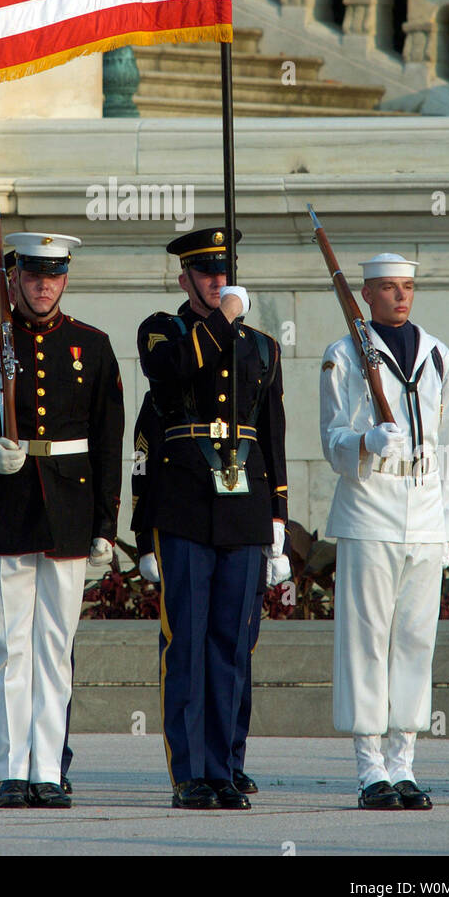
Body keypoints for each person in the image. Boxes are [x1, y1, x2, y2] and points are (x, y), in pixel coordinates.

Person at [0, 231, 124, 809]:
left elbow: (108, 445)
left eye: (54, 275)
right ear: (13, 279)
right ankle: (12, 769)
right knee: (7, 644)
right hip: (2, 514)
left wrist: (105, 525)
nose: (44, 285)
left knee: (54, 644)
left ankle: (48, 767)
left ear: (66, 279)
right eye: (32, 275)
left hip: (68, 513)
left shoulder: (92, 346)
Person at [135, 227, 289, 810]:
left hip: (244, 506)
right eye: (204, 273)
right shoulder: (161, 331)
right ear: (185, 279)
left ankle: (226, 767)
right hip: (184, 504)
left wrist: (278, 515)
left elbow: (271, 435)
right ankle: (190, 771)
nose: (216, 281)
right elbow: (171, 374)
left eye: (223, 272)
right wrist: (223, 319)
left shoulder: (263, 347)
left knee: (232, 641)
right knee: (189, 642)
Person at [319, 251, 449, 810]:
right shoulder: (344, 355)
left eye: (407, 287)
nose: (401, 297)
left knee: (414, 640)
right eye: (388, 288)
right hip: (369, 507)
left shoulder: (439, 356)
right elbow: (331, 440)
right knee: (366, 639)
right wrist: (363, 443)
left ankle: (404, 763)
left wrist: (448, 526)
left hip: (425, 510)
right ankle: (369, 768)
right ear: (366, 293)